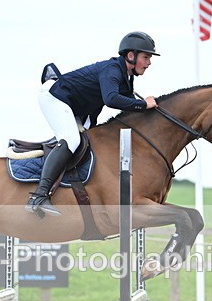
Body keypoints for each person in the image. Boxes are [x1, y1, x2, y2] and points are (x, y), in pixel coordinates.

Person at [26, 31, 160, 217]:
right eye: (146, 57)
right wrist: (143, 104)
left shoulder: (126, 77)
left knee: (88, 141)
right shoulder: (112, 70)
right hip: (55, 97)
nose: (149, 63)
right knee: (71, 140)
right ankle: (39, 196)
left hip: (76, 106)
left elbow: (129, 107)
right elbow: (112, 99)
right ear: (131, 56)